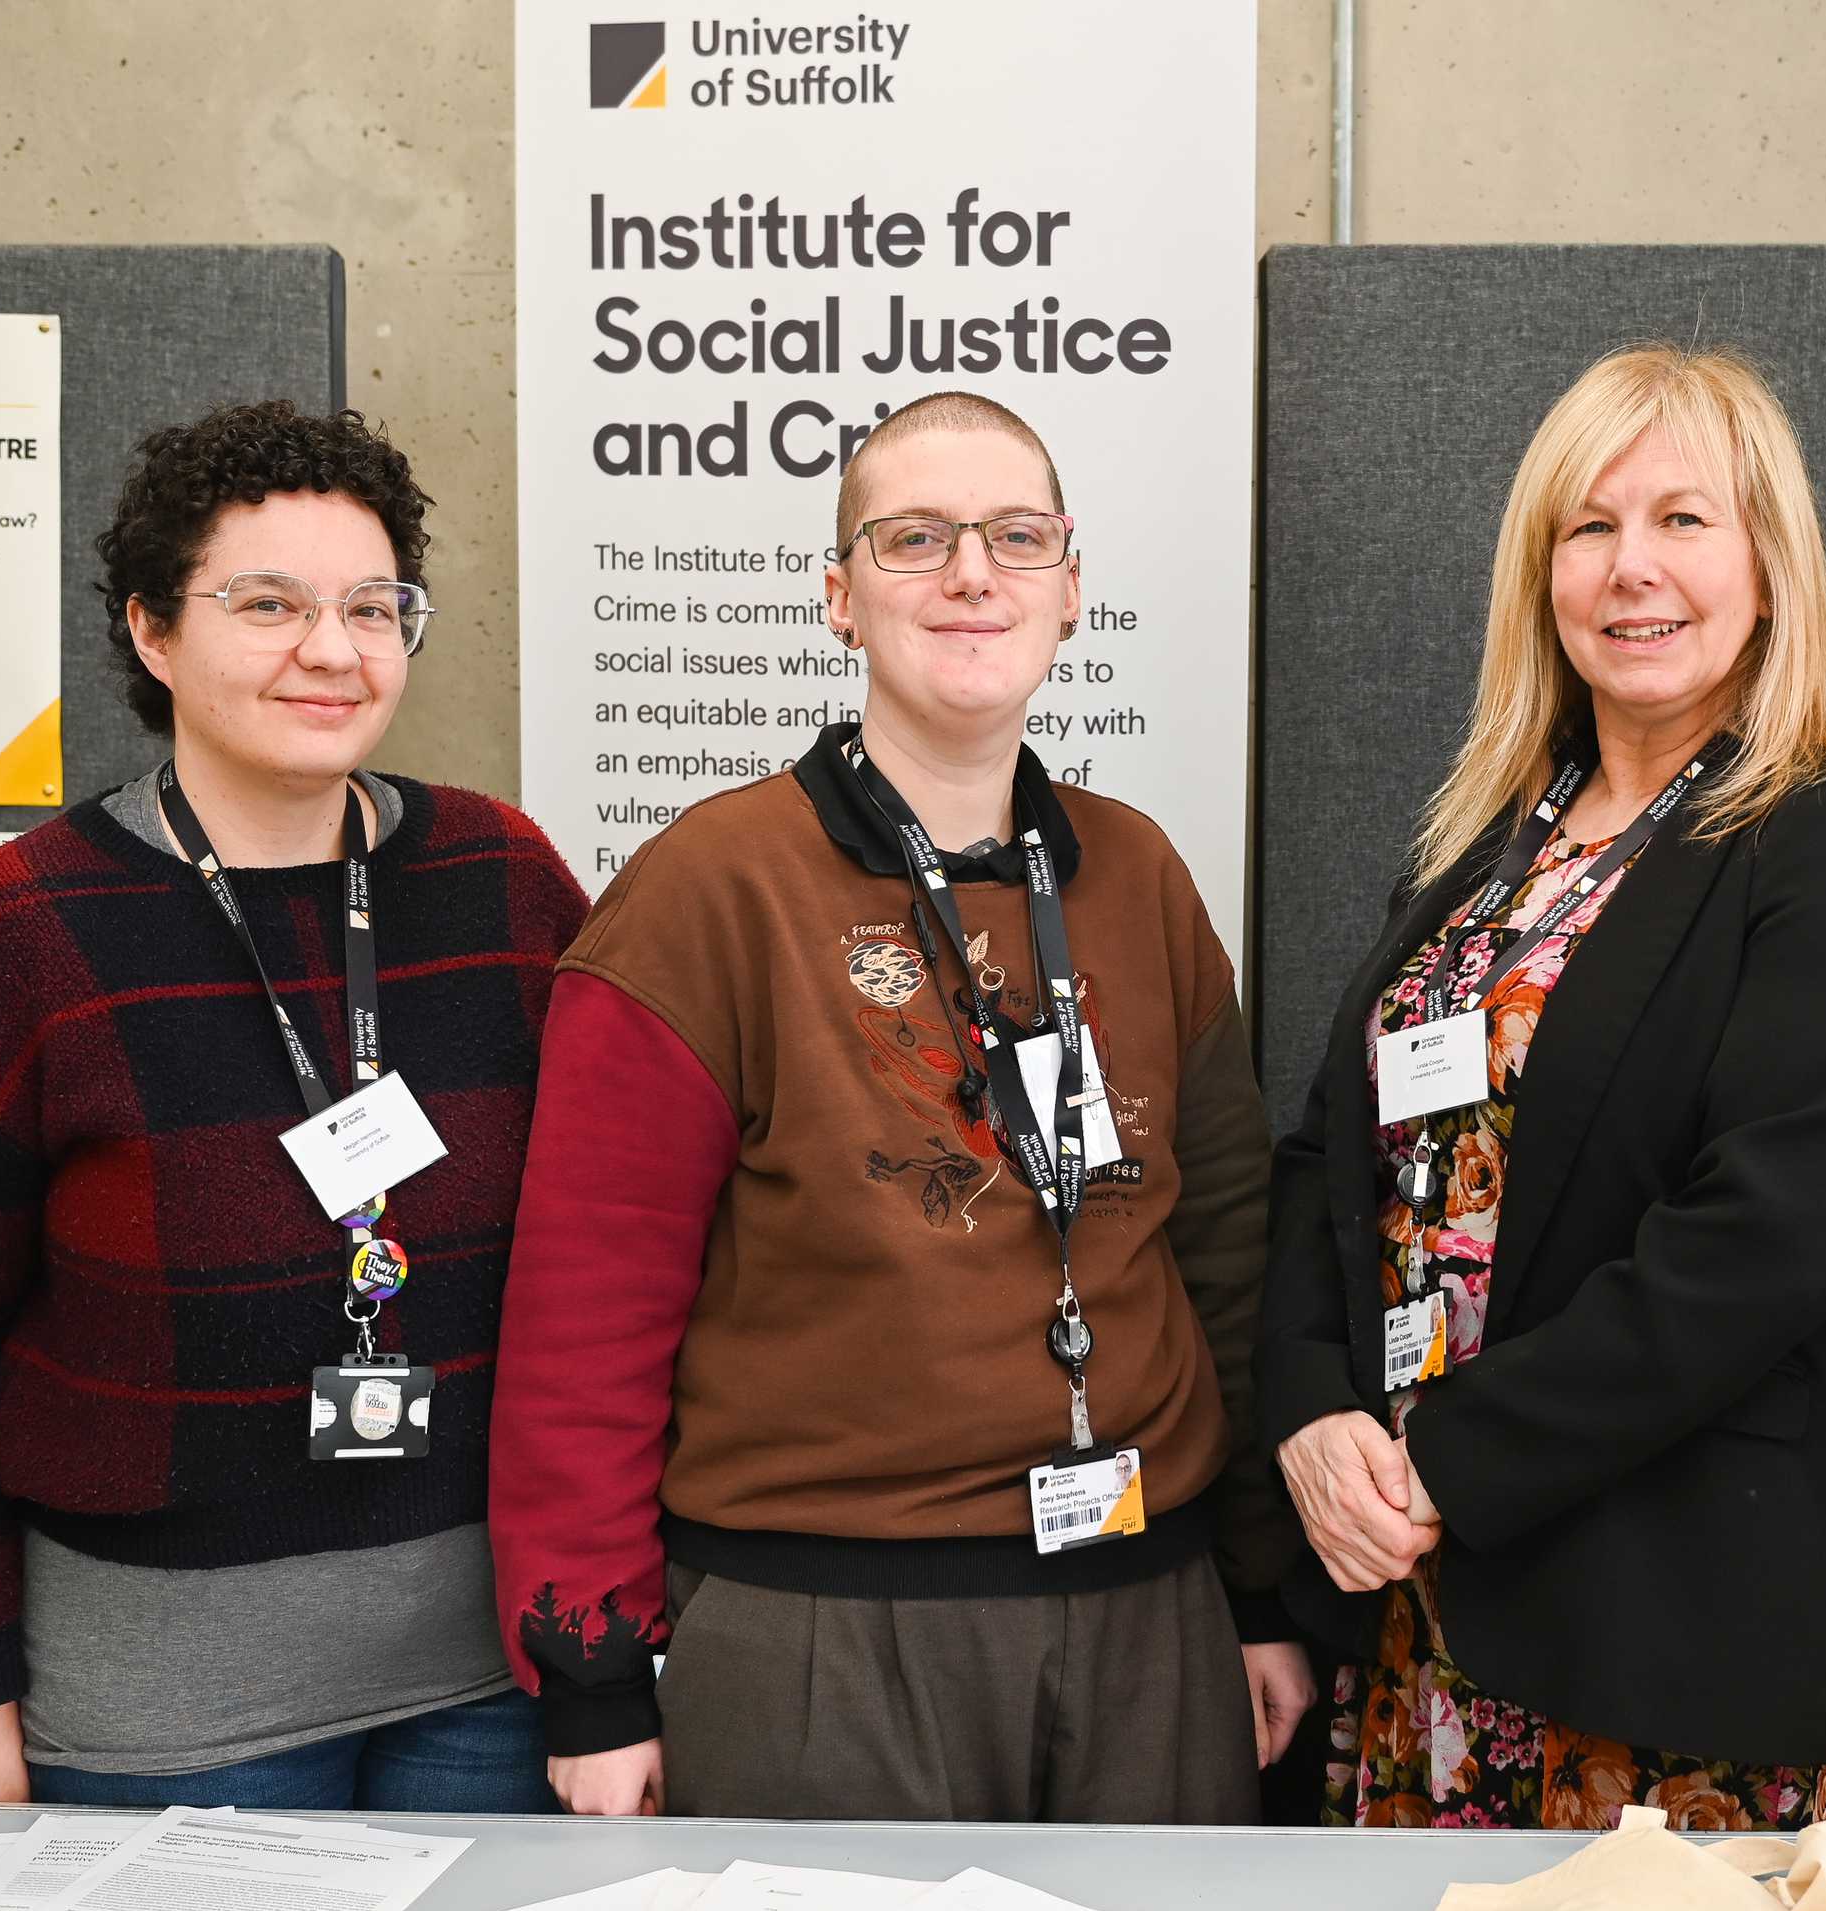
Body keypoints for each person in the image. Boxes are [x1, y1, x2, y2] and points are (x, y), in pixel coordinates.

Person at [489, 390, 1311, 1822]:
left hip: (1148, 1614)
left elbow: (1225, 1263)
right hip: (819, 1634)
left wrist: (1255, 1589)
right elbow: (586, 1310)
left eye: (1015, 536)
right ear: (838, 599)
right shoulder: (707, 890)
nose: (971, 573)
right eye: (914, 537)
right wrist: (596, 1675)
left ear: (1070, 588)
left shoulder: (1139, 878)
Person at [0, 400, 589, 1816]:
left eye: (375, 606)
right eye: (269, 604)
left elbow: (614, 1270)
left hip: (492, 1689)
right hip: (163, 1721)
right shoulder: (17, 934)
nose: (333, 648)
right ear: (152, 632)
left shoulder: (503, 882)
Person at [1257, 344, 1826, 1830]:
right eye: (1589, 527)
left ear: (1772, 563)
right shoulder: (1487, 845)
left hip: (1653, 1620)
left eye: (1683, 521)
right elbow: (1332, 1161)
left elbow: (1762, 1238)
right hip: (1409, 1597)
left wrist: (1446, 1459)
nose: (1632, 568)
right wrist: (1314, 1417)